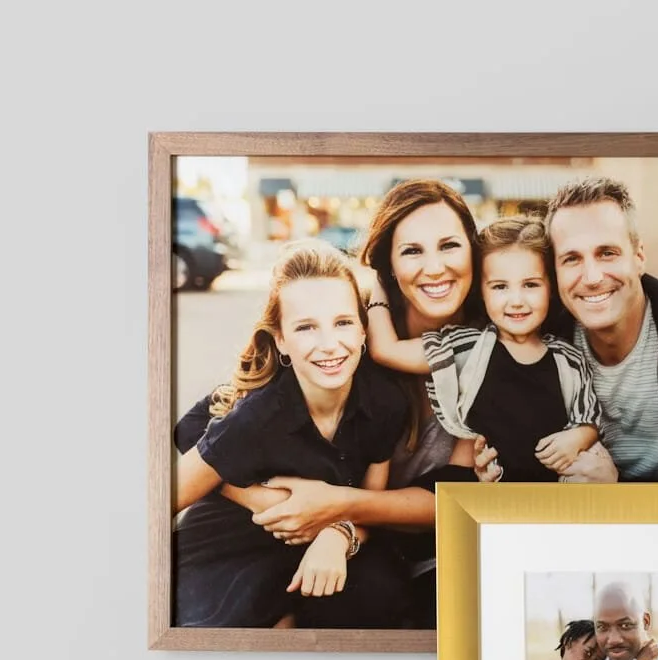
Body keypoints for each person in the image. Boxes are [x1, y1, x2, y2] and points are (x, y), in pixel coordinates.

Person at [173, 179, 487, 628]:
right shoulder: (340, 336)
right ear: (388, 266)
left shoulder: (491, 348)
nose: (433, 267)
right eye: (412, 251)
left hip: (386, 545)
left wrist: (335, 517)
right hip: (268, 544)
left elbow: (455, 498)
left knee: (377, 597)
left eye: (449, 245)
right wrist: (268, 503)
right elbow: (199, 426)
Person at [170, 239, 411, 628]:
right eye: (306, 327)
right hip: (233, 548)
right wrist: (257, 499)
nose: (329, 345)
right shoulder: (257, 416)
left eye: (343, 322)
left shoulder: (385, 402)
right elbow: (162, 498)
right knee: (222, 633)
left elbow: (370, 503)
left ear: (363, 330)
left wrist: (339, 534)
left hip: (322, 541)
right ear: (280, 339)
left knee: (380, 592)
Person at [475, 176, 658, 483]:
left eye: (607, 253)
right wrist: (495, 475)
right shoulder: (541, 339)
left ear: (639, 256)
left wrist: (617, 492)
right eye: (572, 258)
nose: (592, 277)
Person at [363, 215, 602, 482]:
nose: (516, 301)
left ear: (551, 288)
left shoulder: (569, 359)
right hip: (490, 498)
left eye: (531, 285)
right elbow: (385, 350)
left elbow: (590, 419)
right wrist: (382, 276)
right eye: (500, 287)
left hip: (557, 499)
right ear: (482, 291)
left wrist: (579, 437)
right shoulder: (467, 347)